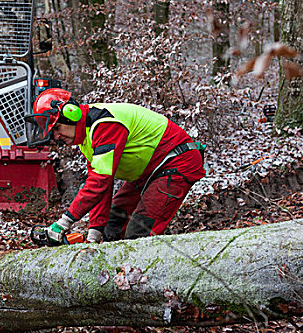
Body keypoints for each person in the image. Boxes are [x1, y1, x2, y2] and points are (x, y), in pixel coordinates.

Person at [25, 88, 206, 243]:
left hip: (176, 160)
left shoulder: (105, 123)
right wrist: (94, 235)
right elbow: (102, 186)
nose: (56, 137)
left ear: (71, 113)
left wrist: (64, 222)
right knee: (113, 225)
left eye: (57, 128)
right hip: (147, 171)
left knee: (139, 233)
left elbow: (100, 182)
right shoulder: (86, 139)